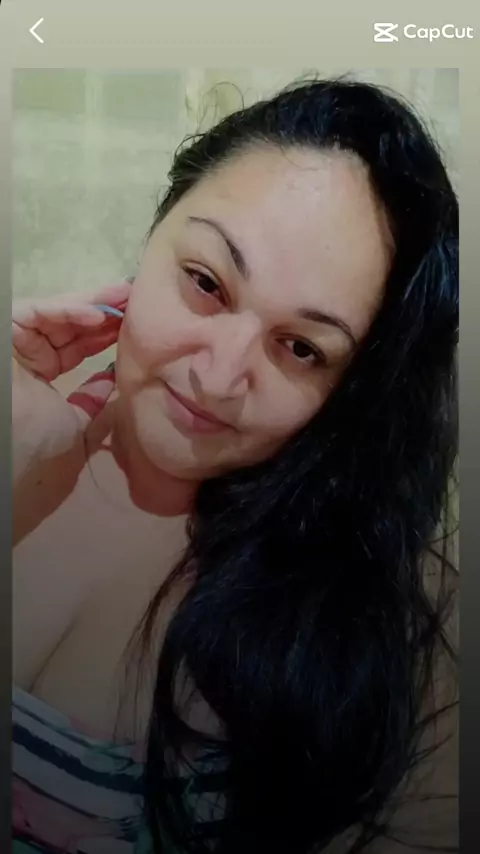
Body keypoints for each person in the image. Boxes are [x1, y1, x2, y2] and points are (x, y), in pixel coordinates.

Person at [12, 77, 458, 854]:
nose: (218, 378)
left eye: (302, 348)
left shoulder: (381, 620)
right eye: (206, 283)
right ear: (153, 236)